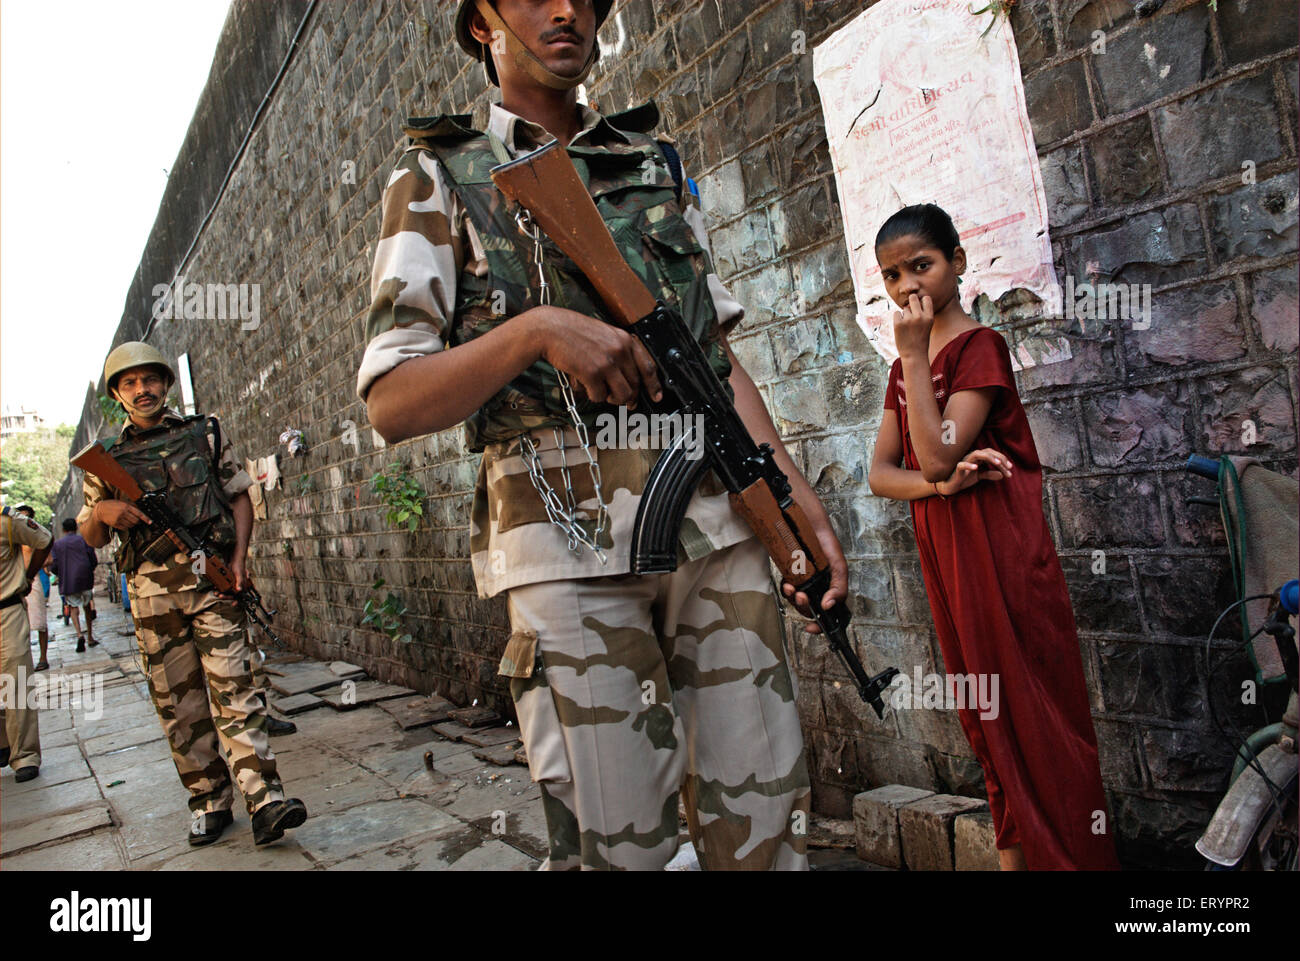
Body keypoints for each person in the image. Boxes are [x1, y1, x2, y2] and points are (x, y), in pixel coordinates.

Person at [359, 0, 848, 870]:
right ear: (483, 23)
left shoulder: (649, 165)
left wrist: (791, 492)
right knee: (617, 843)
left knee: (765, 818)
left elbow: (713, 354)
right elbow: (392, 400)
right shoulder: (437, 178)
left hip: (714, 520)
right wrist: (535, 332)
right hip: (564, 540)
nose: (567, 11)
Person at [865, 204, 1120, 871]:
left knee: (1033, 712)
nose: (905, 287)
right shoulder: (902, 373)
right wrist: (937, 489)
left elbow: (940, 449)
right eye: (891, 275)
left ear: (958, 262)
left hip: (998, 555)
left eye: (920, 265)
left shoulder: (978, 348)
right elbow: (885, 474)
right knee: (987, 723)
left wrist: (916, 358)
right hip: (947, 557)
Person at [77, 341, 306, 847]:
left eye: (151, 379)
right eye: (131, 383)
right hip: (151, 597)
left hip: (211, 582)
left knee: (236, 691)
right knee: (179, 706)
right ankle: (209, 801)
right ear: (117, 394)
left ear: (166, 383)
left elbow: (239, 494)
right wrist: (102, 514)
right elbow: (91, 538)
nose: (143, 390)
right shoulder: (104, 461)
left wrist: (241, 559)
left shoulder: (203, 433)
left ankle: (265, 800)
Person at [0, 506, 53, 782]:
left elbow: (44, 540)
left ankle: (25, 756)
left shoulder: (8, 521)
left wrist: (29, 575)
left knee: (16, 682)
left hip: (6, 612)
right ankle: (4, 742)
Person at [50, 518, 98, 652]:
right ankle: (90, 636)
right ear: (76, 528)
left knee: (73, 607)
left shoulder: (58, 544)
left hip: (68, 580)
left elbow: (54, 565)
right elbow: (93, 559)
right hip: (85, 578)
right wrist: (89, 571)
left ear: (63, 530)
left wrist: (61, 574)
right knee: (87, 605)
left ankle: (79, 634)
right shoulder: (84, 540)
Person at [13, 506, 50, 671]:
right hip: (15, 583)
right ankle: (26, 659)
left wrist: (32, 571)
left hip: (32, 580)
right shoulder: (12, 534)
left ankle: (43, 657)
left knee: (39, 621)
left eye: (26, 517)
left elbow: (47, 556)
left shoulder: (33, 536)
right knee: (19, 624)